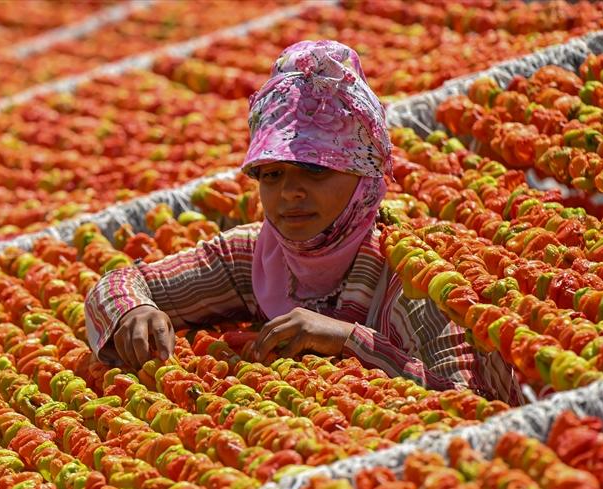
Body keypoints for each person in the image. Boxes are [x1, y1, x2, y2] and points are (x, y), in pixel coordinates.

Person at [84, 40, 521, 405]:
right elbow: (120, 284)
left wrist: (349, 340)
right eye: (272, 175)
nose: (289, 193)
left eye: (315, 170)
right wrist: (136, 311)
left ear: (363, 177)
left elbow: (475, 401)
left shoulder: (414, 279)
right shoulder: (257, 255)